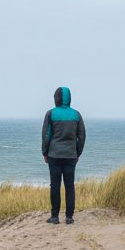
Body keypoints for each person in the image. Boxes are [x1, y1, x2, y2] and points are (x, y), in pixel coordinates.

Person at [40, 86, 85, 224]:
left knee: (55, 185)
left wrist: (45, 152)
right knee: (69, 185)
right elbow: (82, 136)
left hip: (54, 155)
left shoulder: (51, 113)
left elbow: (46, 135)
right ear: (69, 98)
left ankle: (54, 217)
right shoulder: (76, 115)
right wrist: (78, 153)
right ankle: (69, 217)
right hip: (71, 155)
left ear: (56, 98)